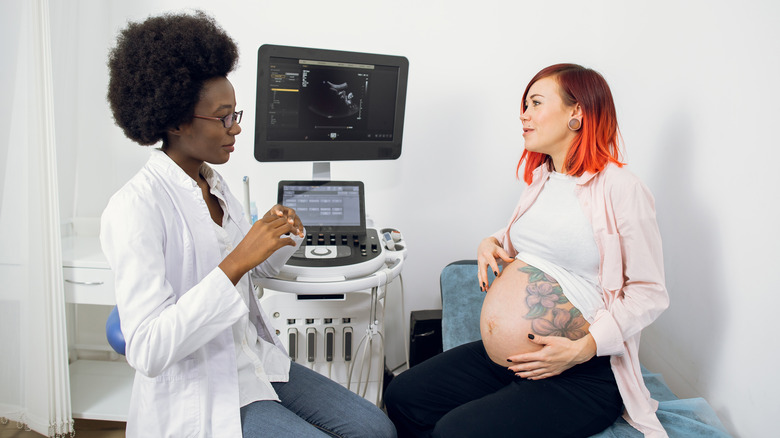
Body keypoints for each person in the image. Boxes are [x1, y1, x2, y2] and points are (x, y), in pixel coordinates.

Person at [101, 11, 396, 438]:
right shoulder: (135, 208)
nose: (236, 127)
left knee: (378, 430)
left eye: (235, 112)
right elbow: (148, 348)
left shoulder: (213, 183)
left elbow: (253, 270)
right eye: (223, 118)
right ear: (175, 122)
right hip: (201, 388)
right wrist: (237, 260)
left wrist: (280, 238)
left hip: (254, 361)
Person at [384, 64, 670, 437]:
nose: (524, 114)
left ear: (577, 113)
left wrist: (584, 348)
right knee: (404, 395)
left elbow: (649, 292)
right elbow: (543, 236)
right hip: (512, 362)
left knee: (456, 431)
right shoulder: (543, 179)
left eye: (535, 103)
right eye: (524, 105)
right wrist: (492, 240)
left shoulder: (621, 188)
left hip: (578, 372)